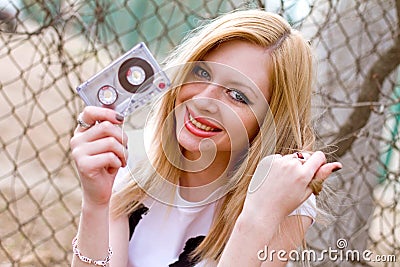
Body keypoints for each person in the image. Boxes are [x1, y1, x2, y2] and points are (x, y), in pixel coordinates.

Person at [70, 9, 342, 267]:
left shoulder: (282, 200)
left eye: (237, 95)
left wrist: (256, 220)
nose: (202, 101)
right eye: (201, 72)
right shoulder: (136, 162)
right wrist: (96, 203)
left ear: (270, 121)